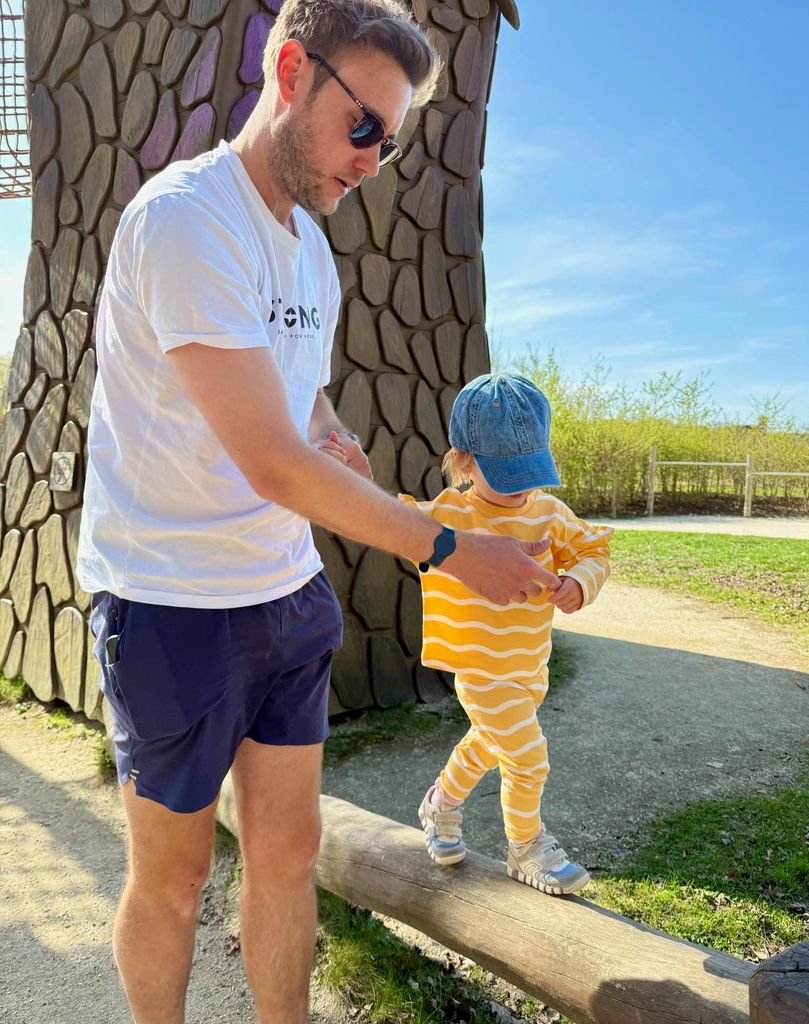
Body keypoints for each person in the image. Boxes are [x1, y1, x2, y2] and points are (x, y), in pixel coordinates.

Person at [76, 2, 558, 1021]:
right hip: (169, 601)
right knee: (174, 873)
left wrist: (327, 421)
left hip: (285, 597)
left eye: (393, 137)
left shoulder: (311, 252)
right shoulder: (186, 224)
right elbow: (268, 461)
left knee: (288, 856)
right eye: (366, 127)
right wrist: (448, 546)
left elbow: (292, 397)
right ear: (289, 70)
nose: (377, 158)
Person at [399, 373, 613, 895]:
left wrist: (578, 584)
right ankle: (526, 846)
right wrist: (355, 477)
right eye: (505, 472)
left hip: (529, 669)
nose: (520, 487)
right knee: (527, 757)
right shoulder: (454, 512)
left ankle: (440, 804)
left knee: (487, 746)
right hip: (482, 670)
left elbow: (594, 550)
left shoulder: (549, 514)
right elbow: (395, 520)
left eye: (529, 472)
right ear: (464, 461)